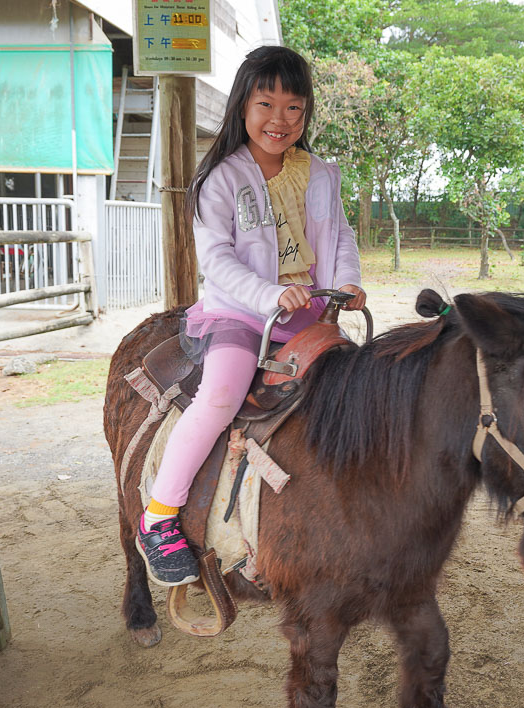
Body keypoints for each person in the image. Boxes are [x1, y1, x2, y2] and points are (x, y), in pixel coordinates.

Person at [136, 46, 365, 587]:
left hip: (310, 314)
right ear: (242, 107)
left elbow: (341, 235)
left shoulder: (322, 175)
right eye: (267, 104)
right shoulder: (221, 178)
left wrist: (349, 281)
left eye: (294, 108)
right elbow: (216, 259)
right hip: (239, 312)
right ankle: (159, 515)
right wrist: (266, 294)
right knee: (220, 397)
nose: (279, 120)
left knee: (356, 393)